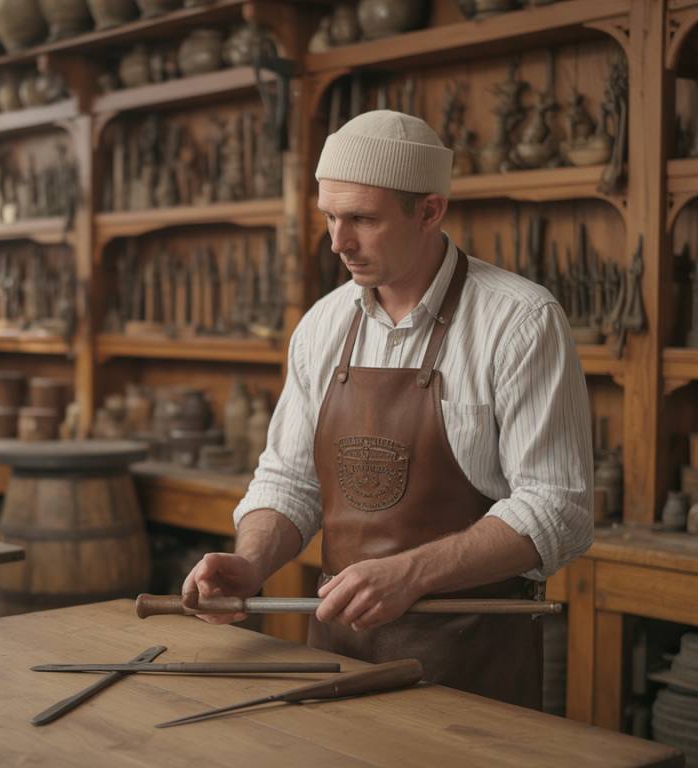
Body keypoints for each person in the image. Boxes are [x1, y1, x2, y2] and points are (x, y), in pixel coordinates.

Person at [181, 110, 593, 708]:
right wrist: (251, 560)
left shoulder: (520, 323)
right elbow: (289, 482)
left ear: (430, 211)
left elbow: (559, 508)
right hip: (336, 656)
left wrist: (411, 574)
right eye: (329, 216)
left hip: (470, 664)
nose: (337, 242)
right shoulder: (324, 324)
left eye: (363, 220)